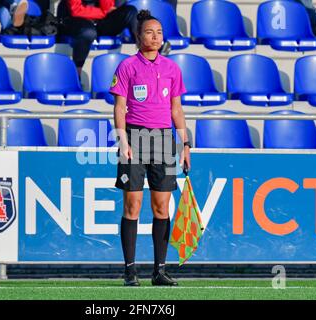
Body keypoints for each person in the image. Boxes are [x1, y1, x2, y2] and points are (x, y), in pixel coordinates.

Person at [110, 9, 191, 287]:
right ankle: (130, 271)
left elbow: (176, 109)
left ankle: (159, 271)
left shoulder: (172, 68)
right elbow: (119, 108)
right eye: (149, 32)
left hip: (164, 139)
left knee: (162, 207)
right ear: (138, 36)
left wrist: (185, 144)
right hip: (134, 137)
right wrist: (123, 141)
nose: (155, 37)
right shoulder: (127, 66)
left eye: (159, 32)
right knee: (132, 205)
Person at [57, 0, 138, 78]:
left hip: (99, 20)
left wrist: (104, 11)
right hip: (74, 19)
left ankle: (142, 62)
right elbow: (76, 10)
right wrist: (103, 13)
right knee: (88, 32)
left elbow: (108, 7)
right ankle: (77, 76)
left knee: (131, 11)